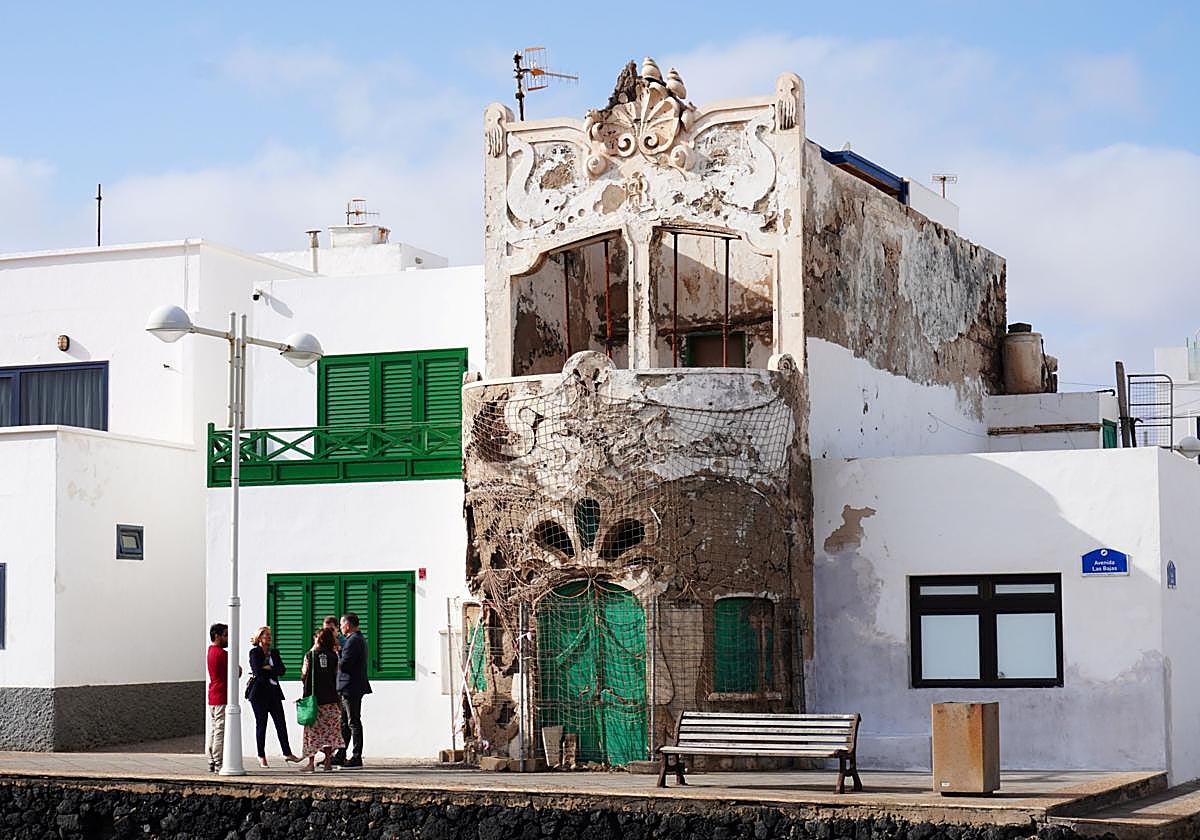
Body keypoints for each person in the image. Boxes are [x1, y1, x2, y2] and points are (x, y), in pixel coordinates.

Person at [247, 626, 302, 768]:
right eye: (266, 635)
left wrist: (269, 668)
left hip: (274, 693)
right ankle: (261, 755)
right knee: (261, 724)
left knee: (281, 723)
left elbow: (282, 670)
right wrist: (271, 670)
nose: (269, 638)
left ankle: (287, 753)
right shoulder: (255, 652)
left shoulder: (274, 653)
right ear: (260, 638)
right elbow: (257, 672)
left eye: (270, 635)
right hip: (259, 694)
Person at [298, 627, 345, 772]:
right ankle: (328, 763)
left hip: (314, 699)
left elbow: (303, 675)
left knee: (312, 732)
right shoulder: (334, 655)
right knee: (329, 731)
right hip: (331, 698)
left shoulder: (310, 655)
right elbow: (336, 673)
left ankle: (311, 763)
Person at [334, 612, 372, 768]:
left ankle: (356, 756)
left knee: (353, 722)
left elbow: (345, 664)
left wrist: (337, 654)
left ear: (347, 625)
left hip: (351, 686)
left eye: (342, 625)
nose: (341, 628)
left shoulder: (353, 641)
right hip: (350, 686)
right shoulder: (356, 640)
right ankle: (341, 753)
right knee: (345, 722)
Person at [206, 623, 232, 773]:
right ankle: (218, 761)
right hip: (221, 695)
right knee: (220, 729)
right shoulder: (223, 654)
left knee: (214, 728)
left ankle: (211, 759)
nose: (227, 639)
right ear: (217, 636)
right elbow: (237, 671)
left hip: (213, 695)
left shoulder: (210, 651)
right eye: (225, 635)